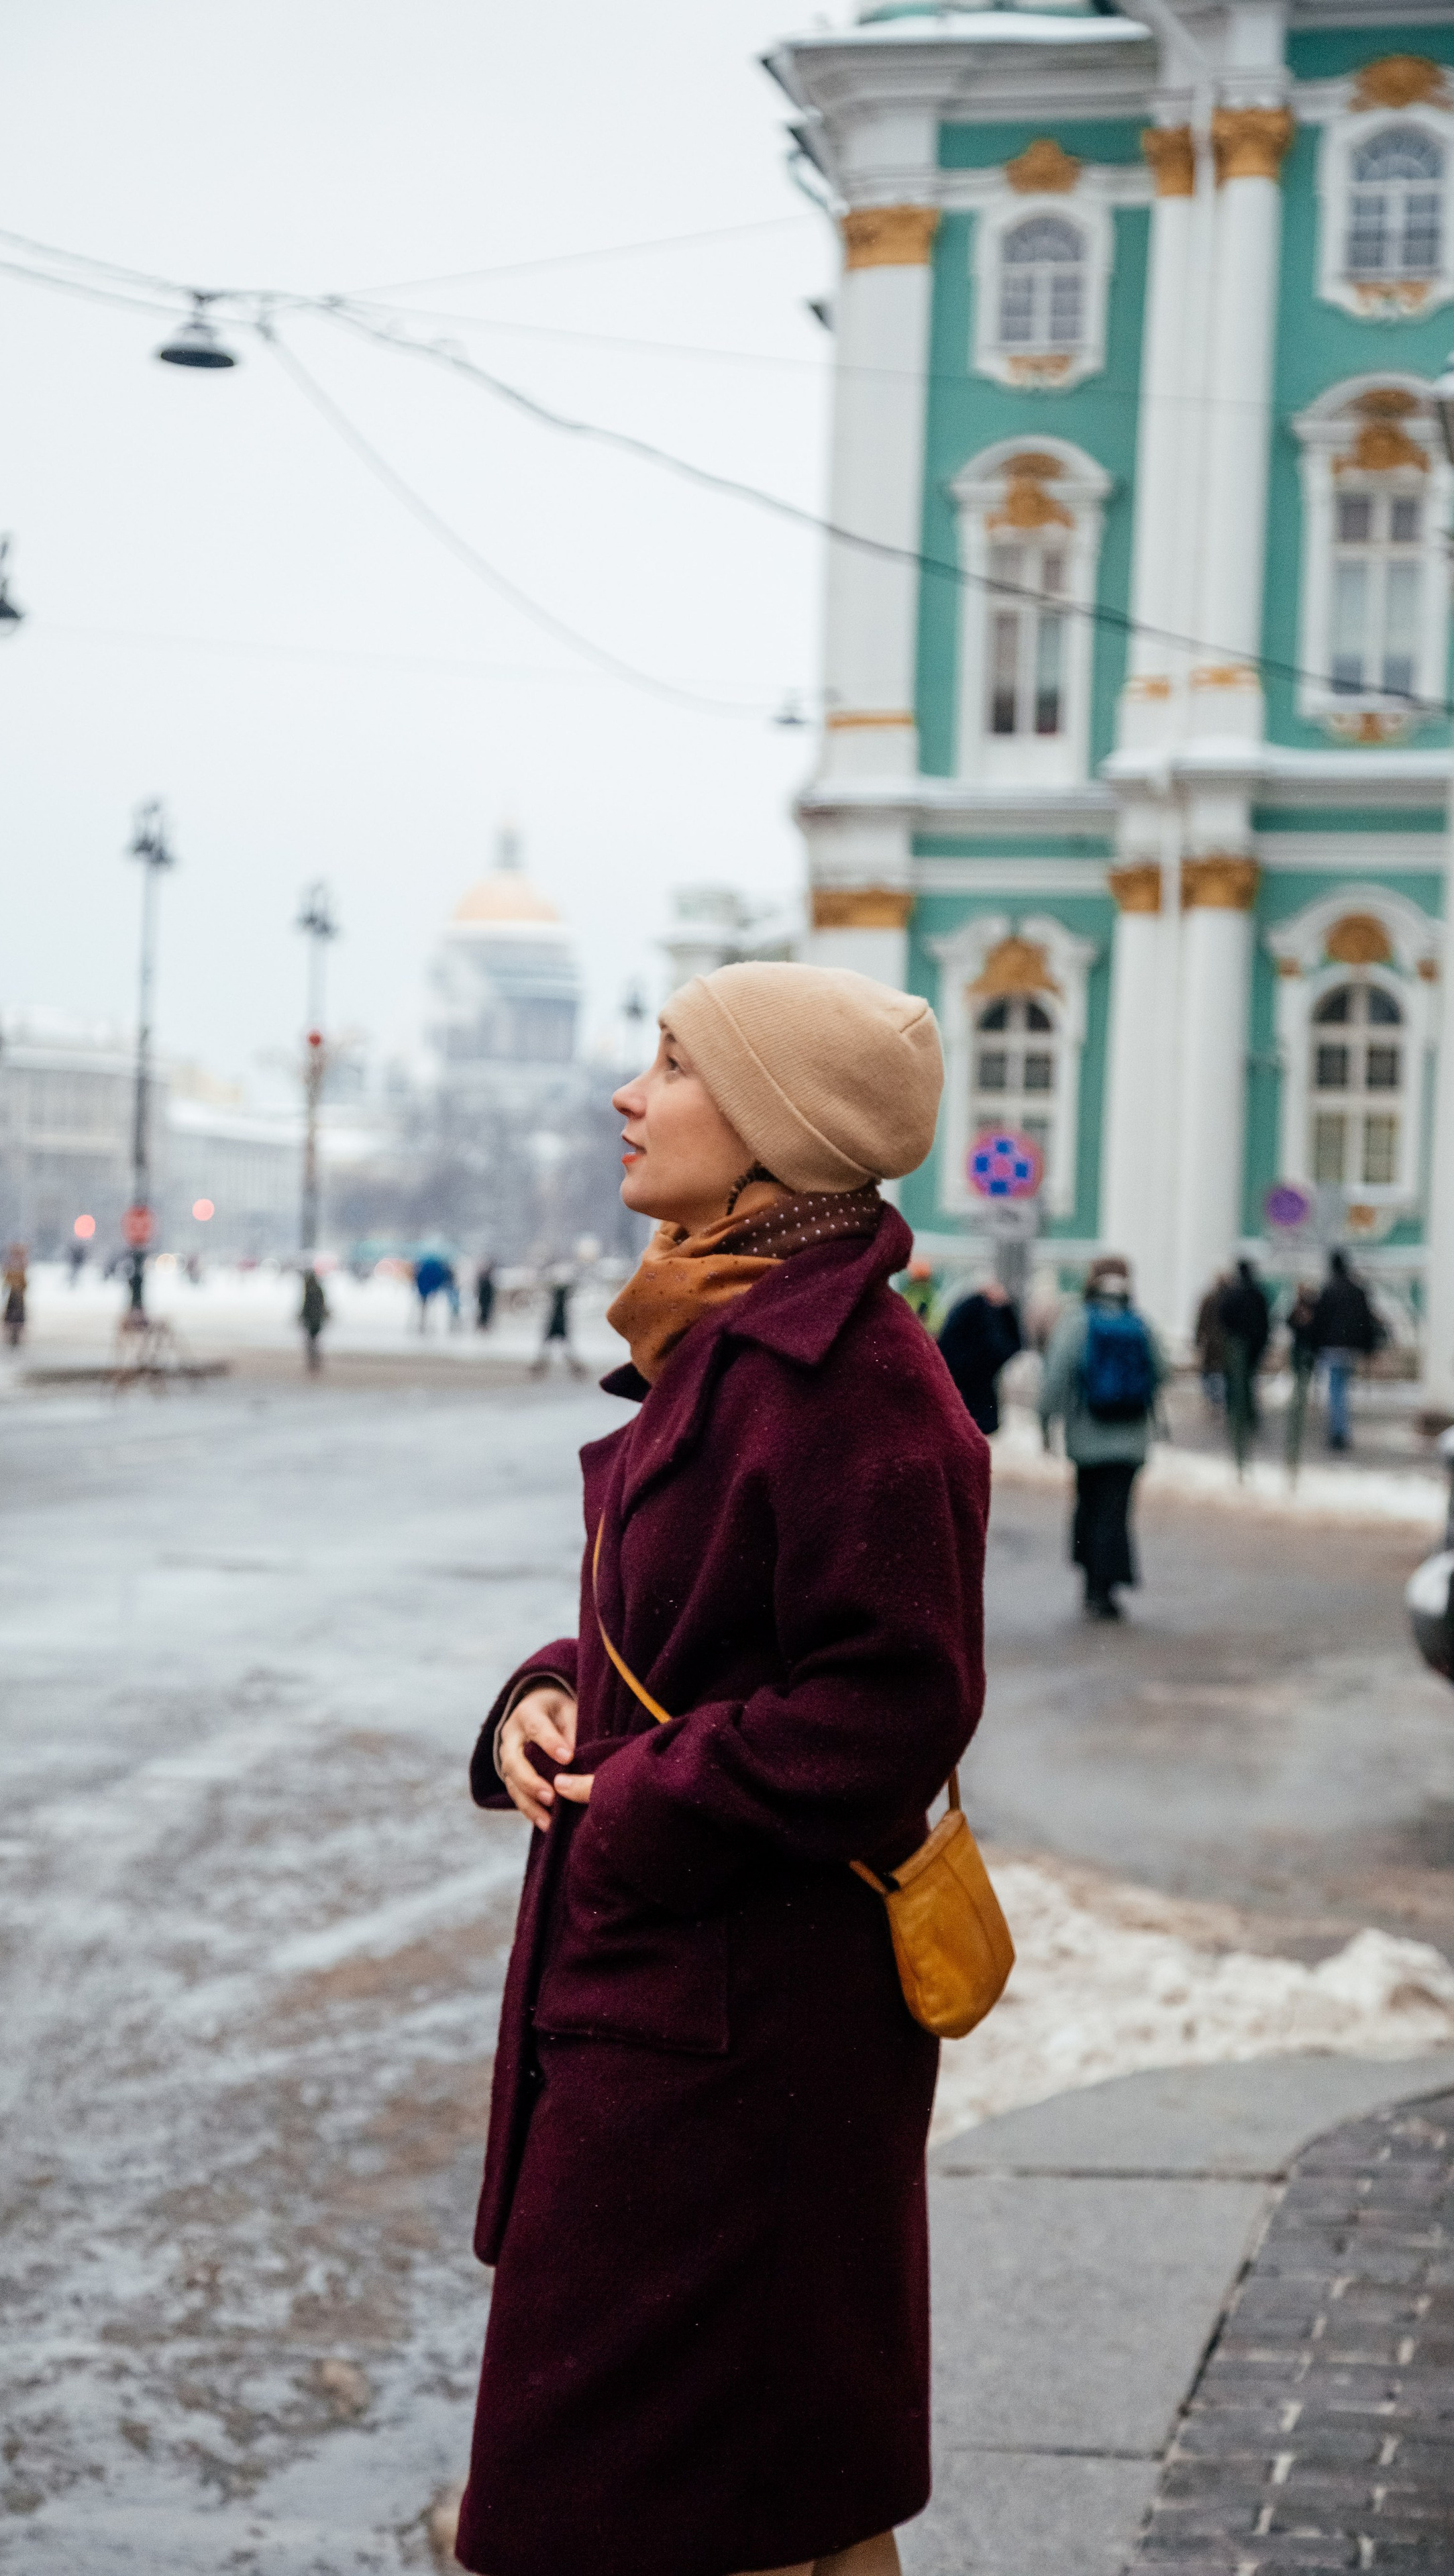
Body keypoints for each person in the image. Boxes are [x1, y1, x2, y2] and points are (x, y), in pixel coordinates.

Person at [458, 962, 990, 2576]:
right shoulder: (719, 1332)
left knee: (677, 2506)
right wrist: (537, 1706)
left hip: (737, 2044)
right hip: (687, 2019)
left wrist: (635, 1804)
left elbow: (892, 1705)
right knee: (776, 2500)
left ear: (773, 1132)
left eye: (673, 1064)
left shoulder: (854, 1384)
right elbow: (671, 1637)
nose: (629, 1093)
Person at [1038, 1254, 1166, 1621]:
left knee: (1089, 1505)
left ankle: (1093, 1586)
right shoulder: (1140, 1322)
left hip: (1087, 1437)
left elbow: (1056, 1376)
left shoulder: (1077, 1321)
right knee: (1117, 1511)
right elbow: (1163, 1370)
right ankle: (1108, 1586)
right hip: (1131, 1440)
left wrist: (1046, 1422)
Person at [1310, 1249, 1383, 1452]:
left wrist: (1315, 1346)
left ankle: (1338, 1431)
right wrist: (1369, 1347)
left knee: (1335, 1390)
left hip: (1331, 1347)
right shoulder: (1357, 1290)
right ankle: (1341, 1429)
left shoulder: (1328, 1290)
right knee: (1341, 1389)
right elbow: (1365, 1322)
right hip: (1351, 1348)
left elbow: (1319, 1321)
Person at [936, 1278, 1023, 1436]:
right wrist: (1007, 1308)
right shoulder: (985, 1318)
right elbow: (1014, 1345)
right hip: (979, 1401)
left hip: (965, 1399)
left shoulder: (964, 1314)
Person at [1216, 1257, 1271, 1476]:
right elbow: (1265, 1321)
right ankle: (1247, 1415)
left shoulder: (1235, 1293)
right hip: (1252, 1344)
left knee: (1236, 1382)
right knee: (1248, 1382)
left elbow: (1224, 1317)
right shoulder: (1257, 1293)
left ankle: (1237, 1415)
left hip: (1237, 1343)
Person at [1284, 1281, 1318, 1480]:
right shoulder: (1298, 1308)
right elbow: (1289, 1323)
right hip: (1302, 1350)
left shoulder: (1312, 1307)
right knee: (1301, 1379)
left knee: (1304, 1379)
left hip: (1304, 1349)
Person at [529, 1265, 584, 1378]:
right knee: (563, 1348)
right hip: (559, 1321)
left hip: (556, 1322)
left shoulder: (558, 1291)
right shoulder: (563, 1291)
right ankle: (576, 1369)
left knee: (550, 1348)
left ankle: (539, 1368)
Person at [1194, 1272, 1229, 1412]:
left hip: (1211, 1341)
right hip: (1223, 1342)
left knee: (1210, 1370)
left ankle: (1213, 1400)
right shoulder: (1228, 1299)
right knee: (1219, 1371)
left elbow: (1201, 1321)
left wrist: (1198, 1339)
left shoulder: (1209, 1299)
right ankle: (1218, 1400)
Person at [299, 1265, 329, 1374]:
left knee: (312, 1342)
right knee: (313, 1341)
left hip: (313, 1320)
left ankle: (314, 1361)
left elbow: (308, 1306)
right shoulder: (317, 1289)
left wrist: (304, 1316)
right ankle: (315, 1361)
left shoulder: (311, 1290)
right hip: (315, 1320)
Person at [0, 1243, 29, 1350]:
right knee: (13, 1317)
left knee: (16, 1317)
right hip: (14, 1294)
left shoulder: (19, 1264)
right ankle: (12, 1337)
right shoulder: (14, 1265)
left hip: (17, 1295)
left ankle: (15, 1337)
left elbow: (23, 1282)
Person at [475, 1261, 497, 1332]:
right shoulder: (482, 1280)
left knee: (486, 1313)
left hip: (487, 1300)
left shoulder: (488, 1281)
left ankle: (484, 1326)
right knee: (483, 1313)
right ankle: (482, 1326)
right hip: (483, 1300)